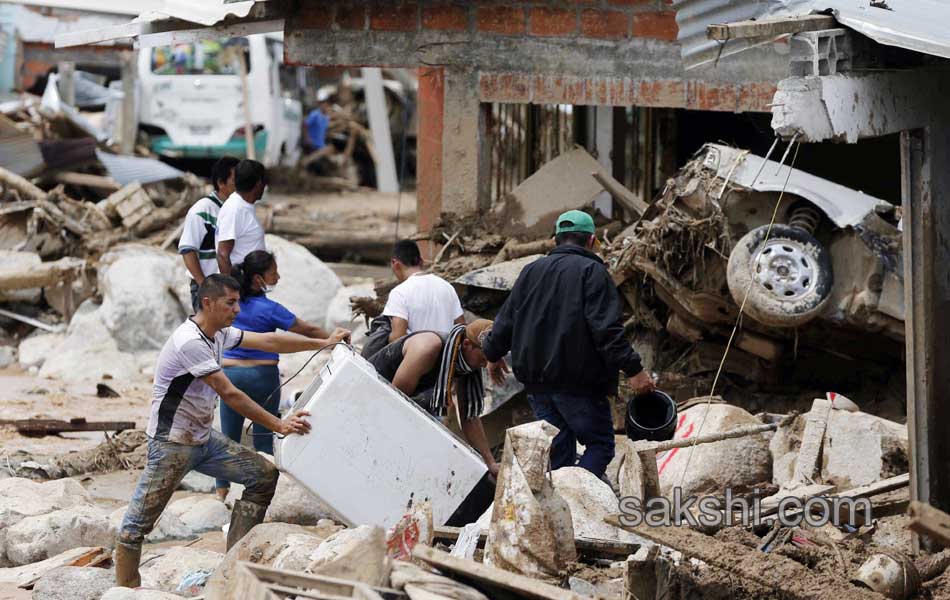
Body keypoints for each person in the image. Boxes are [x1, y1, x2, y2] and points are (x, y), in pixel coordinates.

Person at [114, 274, 350, 588]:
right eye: (231, 303)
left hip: (201, 439)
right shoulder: (190, 341)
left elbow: (269, 341)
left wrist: (322, 343)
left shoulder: (219, 334)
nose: (237, 309)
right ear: (208, 303)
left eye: (237, 302)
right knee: (134, 527)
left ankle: (231, 567)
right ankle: (126, 589)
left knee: (263, 476)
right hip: (171, 445)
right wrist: (278, 424)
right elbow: (230, 393)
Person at [481, 210, 655, 480]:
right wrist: (635, 371)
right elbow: (607, 331)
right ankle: (578, 499)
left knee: (559, 452)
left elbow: (506, 320)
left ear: (556, 240)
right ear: (592, 240)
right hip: (578, 384)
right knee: (599, 445)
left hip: (538, 384)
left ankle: (564, 510)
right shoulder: (593, 272)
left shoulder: (531, 271)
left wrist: (492, 353)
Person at [214, 249, 332, 501]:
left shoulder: (232, 306)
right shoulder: (269, 308)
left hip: (230, 375)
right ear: (258, 279)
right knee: (265, 438)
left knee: (228, 439)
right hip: (262, 377)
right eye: (273, 273)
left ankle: (221, 493)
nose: (278, 278)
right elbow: (306, 328)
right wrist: (332, 339)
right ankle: (268, 493)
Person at [368, 320, 500, 477]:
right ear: (467, 344)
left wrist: (490, 463)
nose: (485, 365)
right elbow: (395, 402)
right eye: (484, 357)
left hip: (397, 405)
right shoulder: (428, 348)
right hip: (371, 398)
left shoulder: (464, 362)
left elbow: (469, 416)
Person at [179, 156, 240, 312]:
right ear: (221, 183)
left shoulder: (236, 211)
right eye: (236, 180)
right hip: (210, 290)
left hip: (230, 288)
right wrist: (204, 285)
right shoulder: (201, 211)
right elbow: (188, 251)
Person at [383, 239, 465, 343]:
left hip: (416, 357)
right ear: (421, 261)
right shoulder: (447, 287)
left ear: (395, 264)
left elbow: (397, 338)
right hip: (447, 357)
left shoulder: (399, 292)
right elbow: (461, 327)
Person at [217, 159, 268, 276]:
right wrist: (233, 290)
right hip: (242, 287)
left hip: (252, 285)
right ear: (259, 183)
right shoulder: (235, 209)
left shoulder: (244, 206)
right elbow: (222, 254)